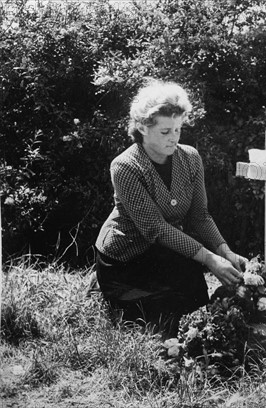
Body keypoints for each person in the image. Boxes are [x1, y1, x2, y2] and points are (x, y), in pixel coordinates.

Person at [93, 79, 247, 336]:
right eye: (165, 131)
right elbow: (155, 228)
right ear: (142, 127)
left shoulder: (190, 158)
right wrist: (209, 259)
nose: (174, 137)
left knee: (196, 304)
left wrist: (225, 252)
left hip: (165, 248)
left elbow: (200, 216)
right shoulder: (125, 166)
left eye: (178, 129)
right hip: (126, 256)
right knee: (157, 321)